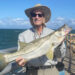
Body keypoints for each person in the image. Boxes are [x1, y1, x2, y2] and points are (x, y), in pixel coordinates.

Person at [15, 4, 68, 75]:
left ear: (43, 17)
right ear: (31, 17)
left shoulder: (52, 33)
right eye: (34, 15)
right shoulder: (22, 35)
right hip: (31, 72)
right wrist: (21, 62)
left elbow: (60, 55)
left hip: (51, 71)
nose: (37, 17)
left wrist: (60, 44)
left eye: (40, 15)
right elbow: (21, 58)